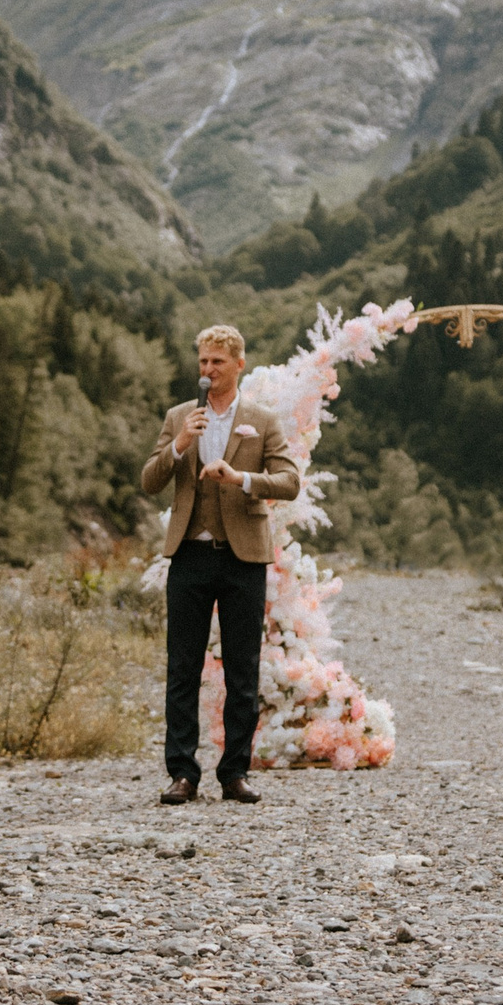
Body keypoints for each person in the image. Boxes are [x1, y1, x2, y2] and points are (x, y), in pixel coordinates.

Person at [142, 324, 302, 805]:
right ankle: (182, 773)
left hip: (243, 556)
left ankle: (235, 773)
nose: (207, 370)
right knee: (183, 666)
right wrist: (178, 447)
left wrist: (243, 479)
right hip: (190, 553)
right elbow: (150, 480)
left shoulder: (261, 419)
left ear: (239, 364)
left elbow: (290, 481)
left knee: (241, 669)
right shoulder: (179, 417)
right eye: (203, 362)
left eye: (217, 362)